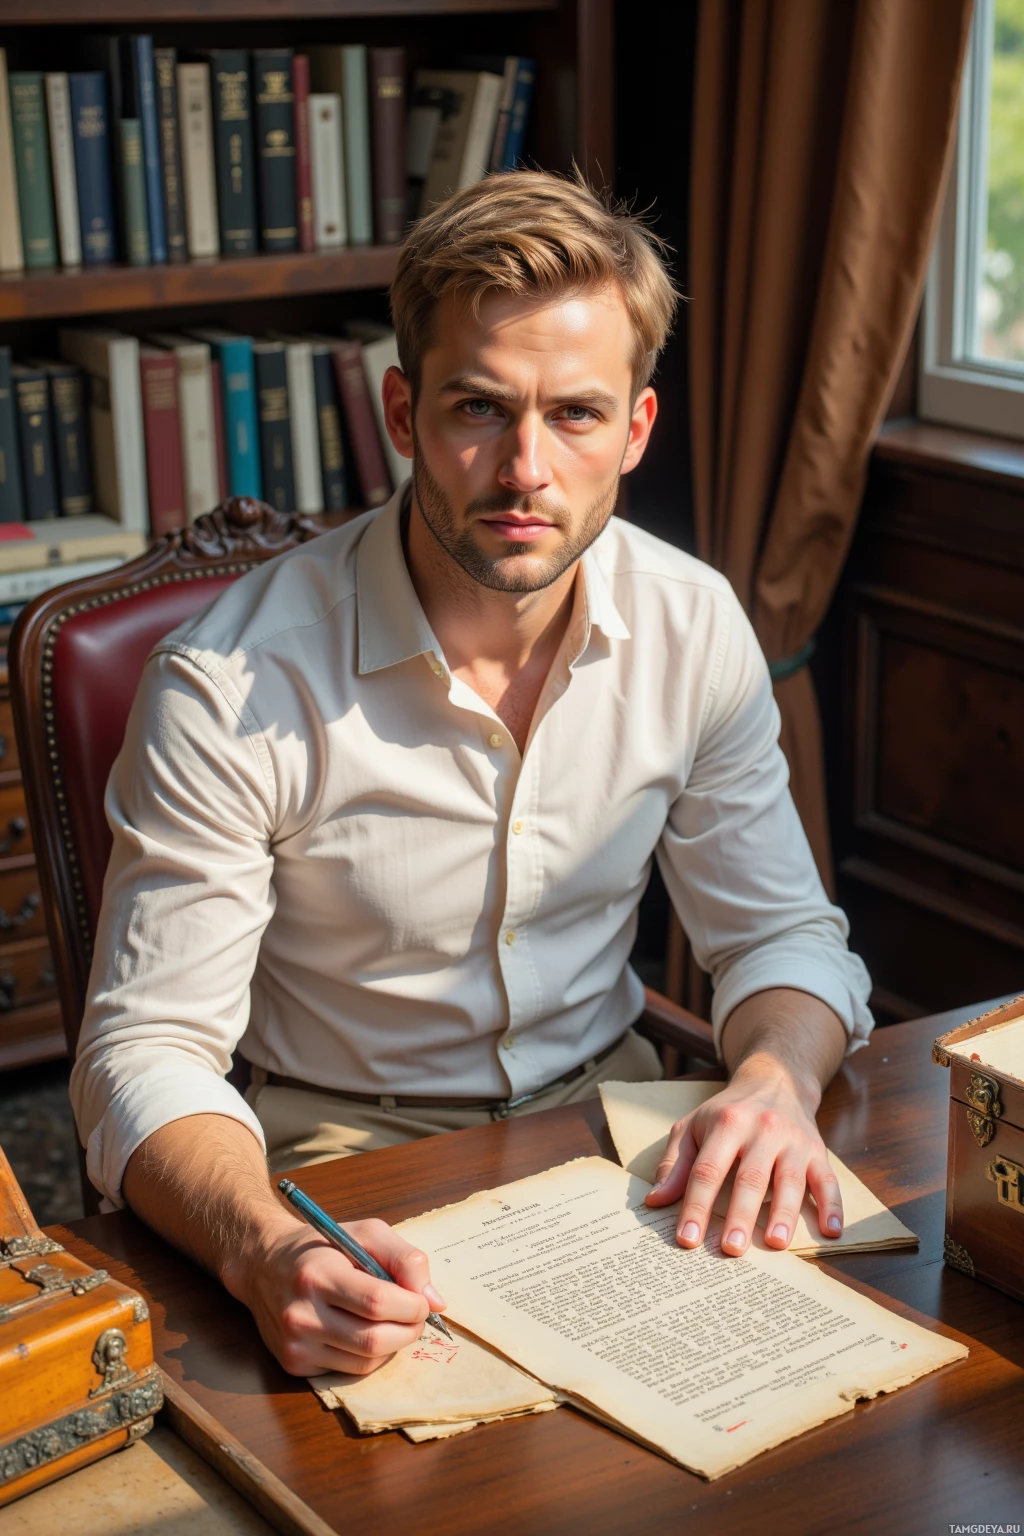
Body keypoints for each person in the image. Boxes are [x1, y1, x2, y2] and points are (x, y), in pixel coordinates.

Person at [71, 170, 872, 1380]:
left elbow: (785, 939)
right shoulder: (233, 683)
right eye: (478, 410)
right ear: (401, 413)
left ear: (637, 432)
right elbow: (145, 1052)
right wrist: (260, 1248)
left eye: (577, 416)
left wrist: (770, 1080)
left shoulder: (694, 625)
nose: (524, 471)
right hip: (339, 1173)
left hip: (620, 1149)